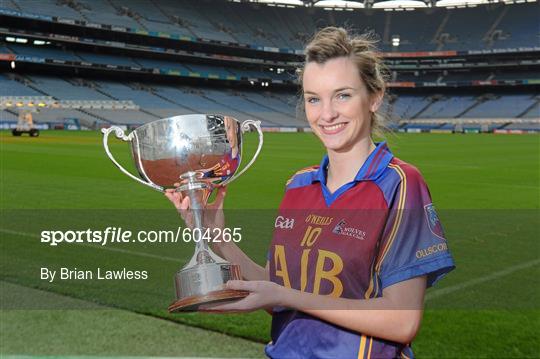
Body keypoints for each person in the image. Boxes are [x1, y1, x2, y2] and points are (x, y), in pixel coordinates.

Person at [166, 27, 455, 359]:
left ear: (374, 97)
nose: (326, 113)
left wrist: (285, 296)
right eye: (313, 98)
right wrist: (217, 236)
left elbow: (401, 321)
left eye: (343, 95)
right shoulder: (299, 185)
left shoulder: (400, 184)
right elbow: (276, 290)